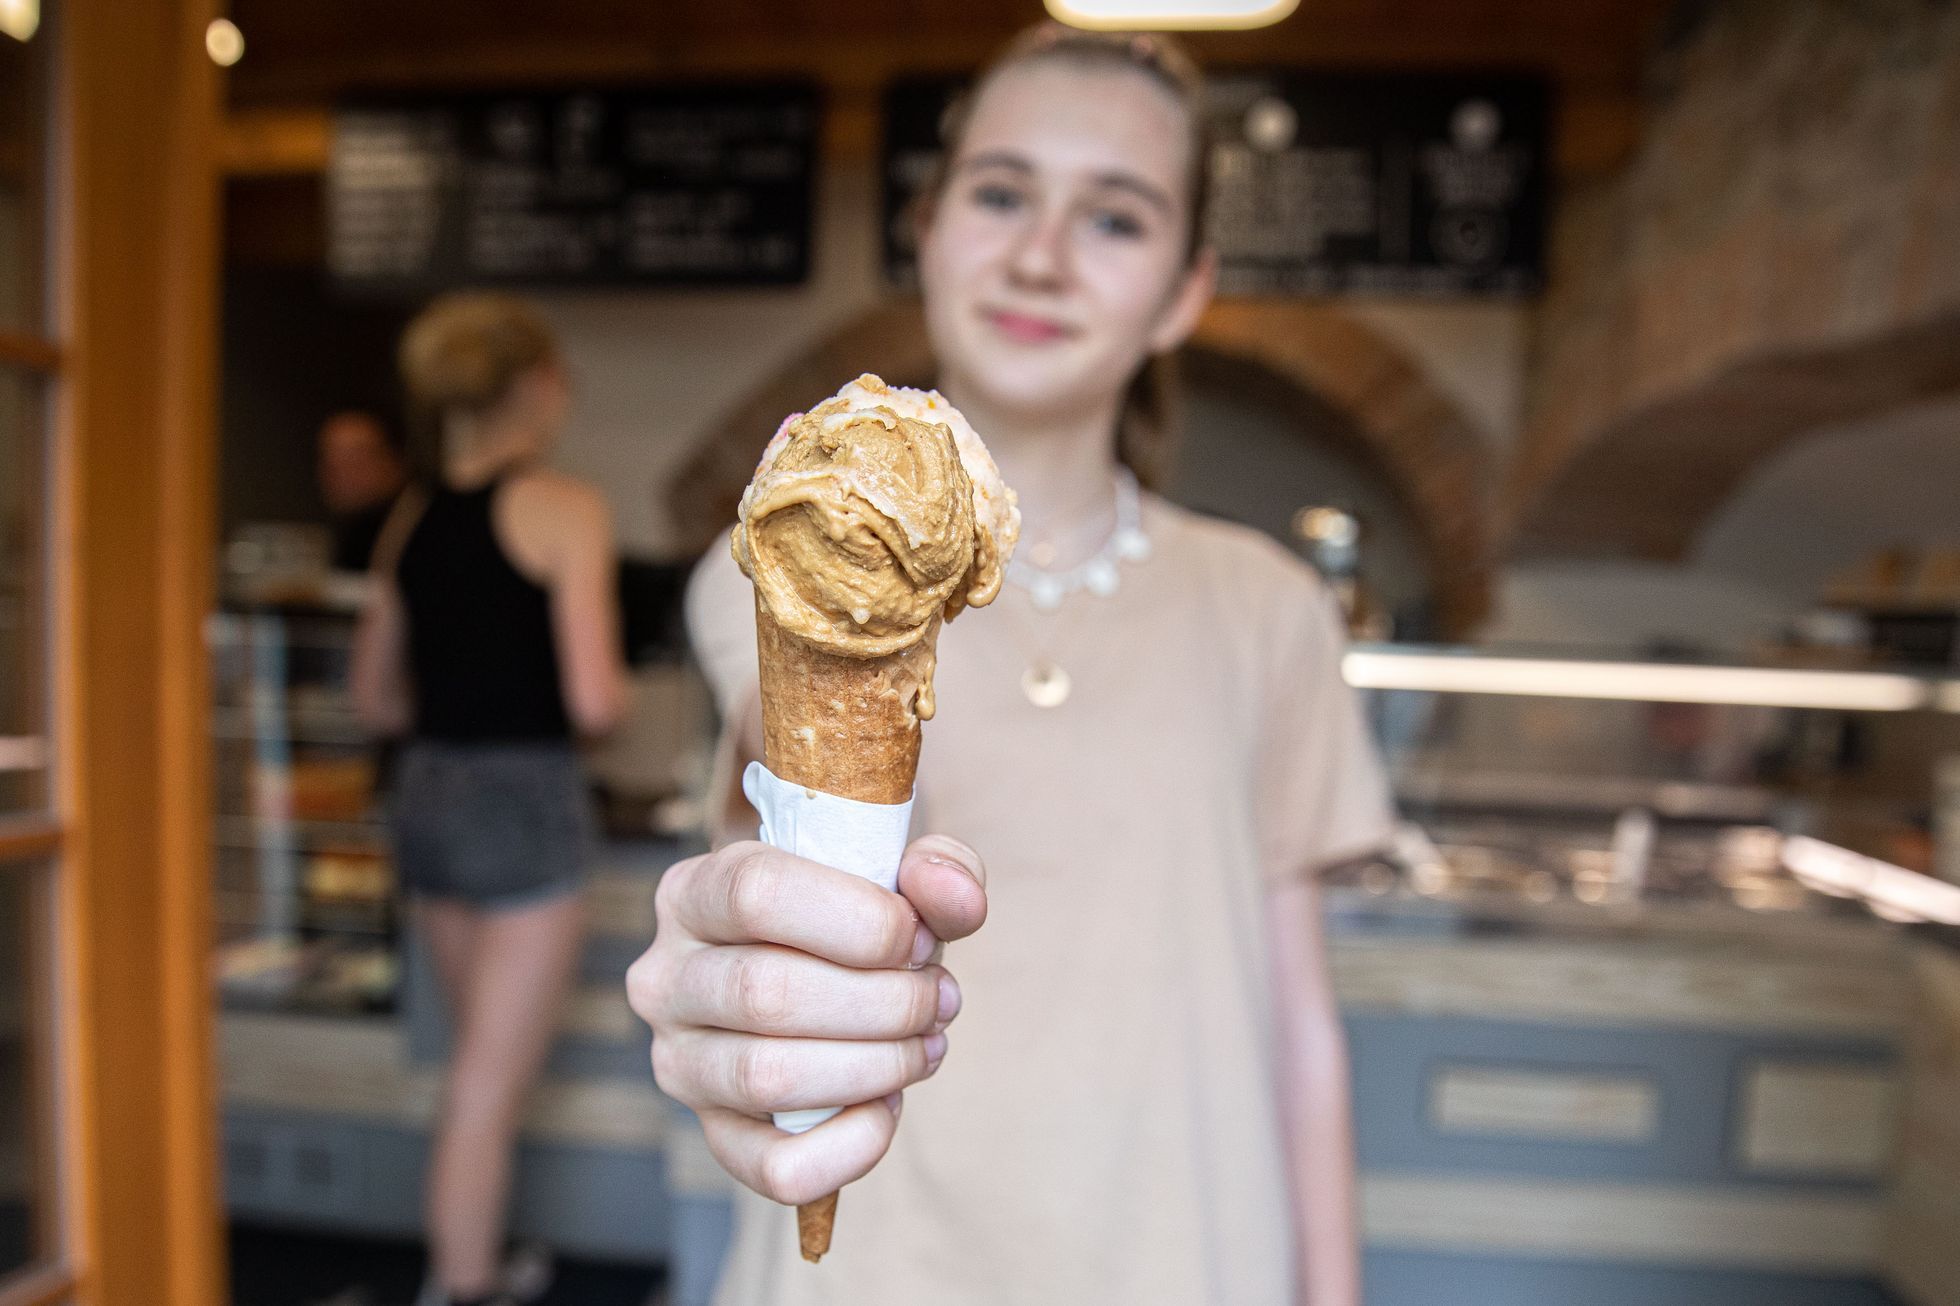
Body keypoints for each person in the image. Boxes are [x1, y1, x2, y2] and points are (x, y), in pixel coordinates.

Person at [627, 25, 1393, 1306]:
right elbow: (764, 859)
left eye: (1115, 218)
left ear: (1186, 291)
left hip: (1187, 1259)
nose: (1039, 254)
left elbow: (1298, 1017)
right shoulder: (772, 563)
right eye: (999, 194)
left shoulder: (1268, 608)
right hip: (875, 1268)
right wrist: (723, 979)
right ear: (926, 228)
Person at [352, 294, 627, 1306]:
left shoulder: (409, 518)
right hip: (523, 801)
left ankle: (483, 1262)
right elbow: (594, 696)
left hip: (429, 795)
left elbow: (372, 696)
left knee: (474, 1070)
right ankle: (462, 1284)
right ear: (535, 384)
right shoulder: (565, 508)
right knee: (486, 1084)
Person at [318, 409, 410, 572]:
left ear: (395, 462)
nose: (342, 475)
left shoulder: (422, 532)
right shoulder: (352, 532)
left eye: (355, 460)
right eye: (332, 462)